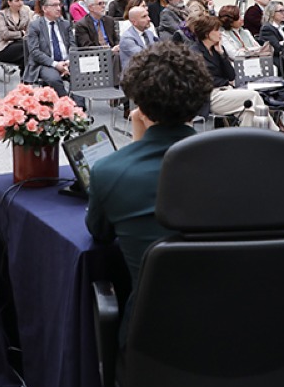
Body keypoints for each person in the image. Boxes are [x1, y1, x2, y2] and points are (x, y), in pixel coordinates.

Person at [86, 42, 213, 333]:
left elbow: (99, 232)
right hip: (246, 333)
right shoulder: (241, 163)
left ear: (139, 107)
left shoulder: (109, 172)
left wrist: (138, 142)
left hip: (156, 340)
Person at [188, 14, 277, 129]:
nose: (220, 33)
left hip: (225, 91)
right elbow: (205, 80)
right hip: (209, 97)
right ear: (207, 33)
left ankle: (246, 143)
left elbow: (231, 75)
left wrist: (222, 55)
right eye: (216, 30)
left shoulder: (217, 50)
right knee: (253, 96)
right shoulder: (195, 53)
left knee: (248, 113)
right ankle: (274, 133)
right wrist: (224, 82)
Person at [23, 0, 73, 95]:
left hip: (67, 62)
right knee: (54, 79)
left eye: (59, 5)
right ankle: (67, 104)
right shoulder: (35, 26)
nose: (59, 8)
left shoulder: (65, 24)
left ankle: (79, 107)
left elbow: (73, 45)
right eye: (54, 5)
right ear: (45, 9)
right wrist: (56, 64)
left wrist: (69, 61)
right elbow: (34, 52)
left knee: (79, 76)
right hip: (46, 63)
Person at [0, 0, 32, 86]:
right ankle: (26, 83)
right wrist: (21, 33)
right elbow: (4, 34)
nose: (20, 3)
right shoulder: (2, 14)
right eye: (17, 1)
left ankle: (25, 83)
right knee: (27, 47)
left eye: (21, 0)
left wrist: (23, 34)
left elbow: (29, 32)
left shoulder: (25, 13)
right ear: (9, 2)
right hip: (6, 48)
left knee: (28, 55)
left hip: (21, 48)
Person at [119, 5, 160, 72]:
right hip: (134, 76)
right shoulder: (127, 39)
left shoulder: (149, 33)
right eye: (144, 17)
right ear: (134, 22)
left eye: (148, 15)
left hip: (150, 73)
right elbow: (142, 57)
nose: (149, 19)